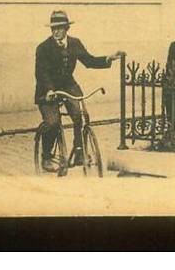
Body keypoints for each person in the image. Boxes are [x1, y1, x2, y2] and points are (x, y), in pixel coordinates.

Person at [34, 10, 123, 172]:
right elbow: (41, 72)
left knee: (79, 114)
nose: (56, 31)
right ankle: (46, 156)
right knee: (52, 123)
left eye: (60, 27)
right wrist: (48, 90)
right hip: (47, 89)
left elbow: (89, 60)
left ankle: (79, 152)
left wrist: (108, 59)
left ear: (67, 28)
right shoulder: (43, 48)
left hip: (68, 85)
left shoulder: (75, 43)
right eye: (53, 28)